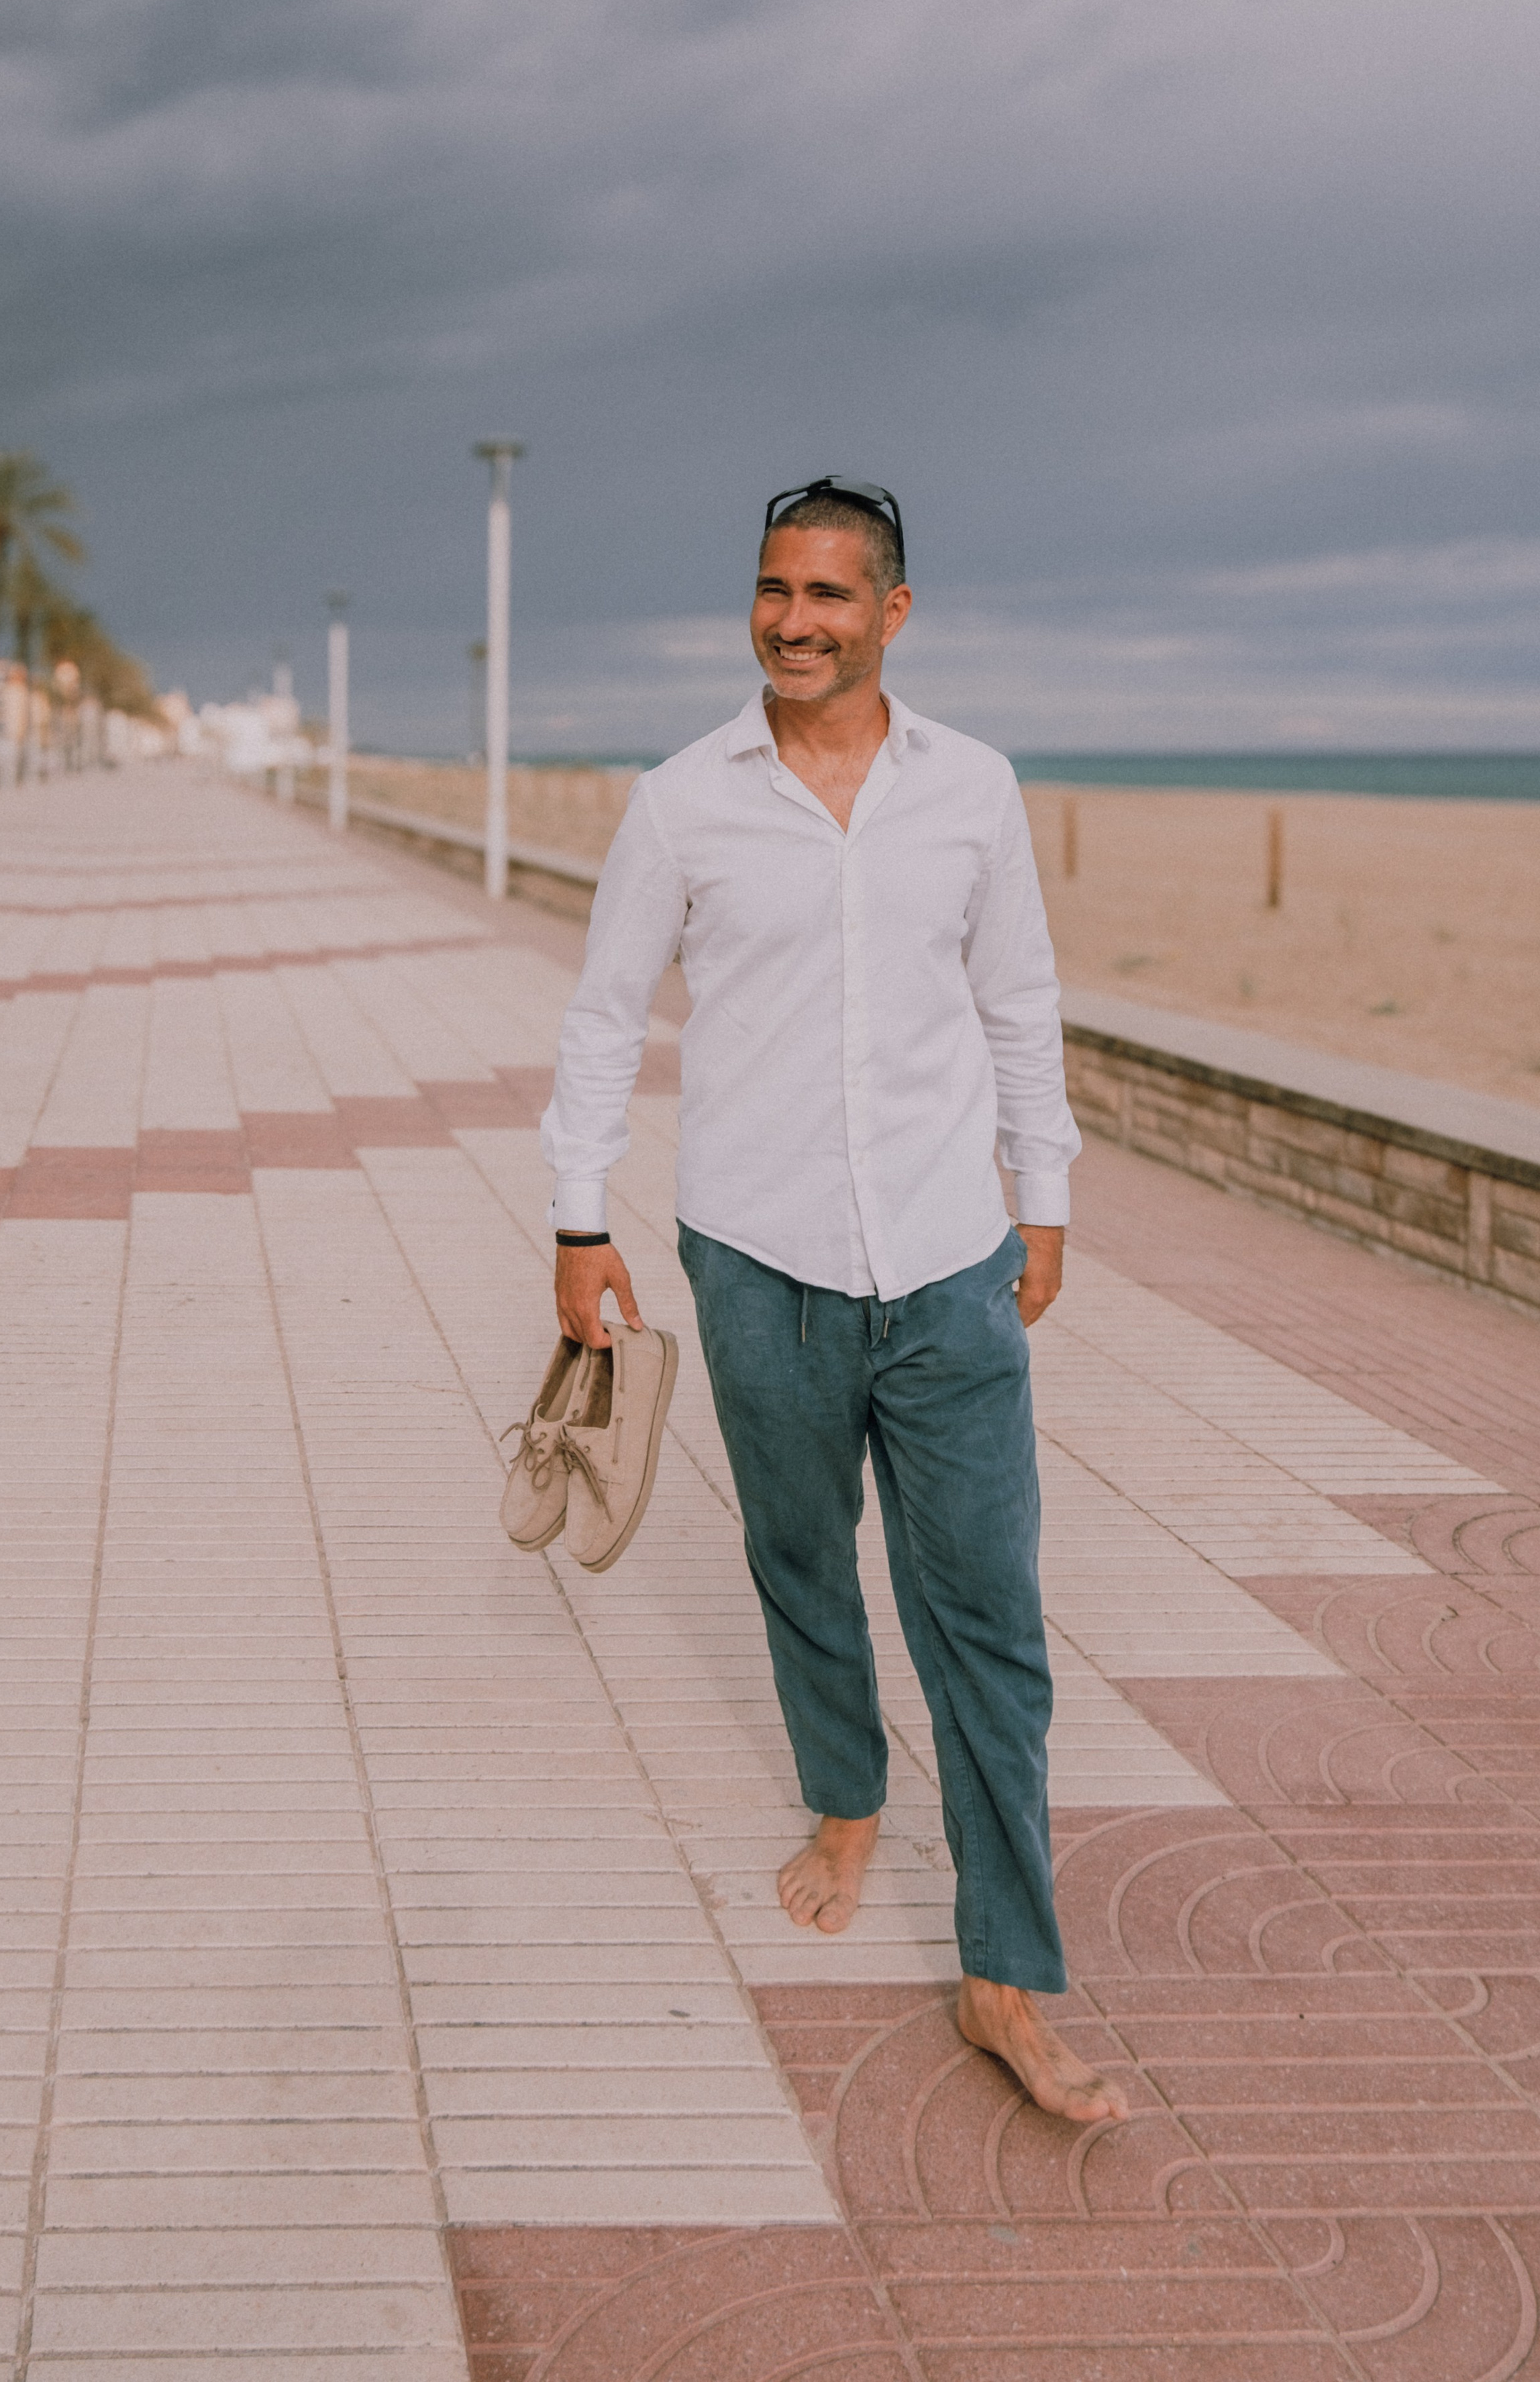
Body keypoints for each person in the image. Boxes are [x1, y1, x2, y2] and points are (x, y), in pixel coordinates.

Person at [542, 476, 1127, 2122]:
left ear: (891, 611)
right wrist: (576, 1225)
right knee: (798, 1558)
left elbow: (1018, 1001)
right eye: (768, 590)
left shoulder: (974, 791)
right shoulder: (680, 804)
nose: (790, 620)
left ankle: (1005, 1973)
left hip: (947, 1258)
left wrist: (1046, 1196)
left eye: (825, 594)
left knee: (988, 1624)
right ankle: (847, 1799)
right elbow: (602, 1022)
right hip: (756, 1254)